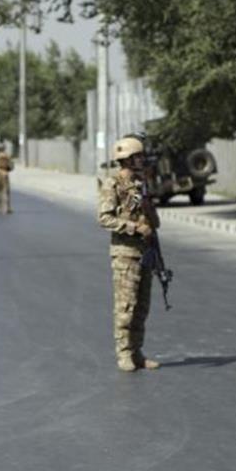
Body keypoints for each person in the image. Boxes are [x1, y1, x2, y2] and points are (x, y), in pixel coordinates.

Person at [97, 136, 161, 372]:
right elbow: (104, 218)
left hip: (145, 253)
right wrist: (134, 228)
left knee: (142, 306)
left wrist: (149, 212)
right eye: (138, 157)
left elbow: (154, 221)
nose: (142, 160)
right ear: (126, 159)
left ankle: (137, 352)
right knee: (126, 306)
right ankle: (123, 353)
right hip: (125, 254)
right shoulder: (112, 184)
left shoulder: (141, 184)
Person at [0, 143, 14, 214]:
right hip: (5, 173)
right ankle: (7, 208)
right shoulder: (7, 156)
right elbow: (11, 166)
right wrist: (7, 169)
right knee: (7, 192)